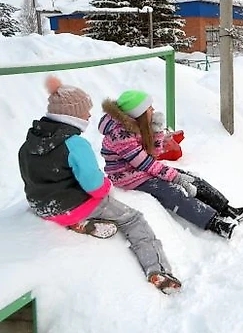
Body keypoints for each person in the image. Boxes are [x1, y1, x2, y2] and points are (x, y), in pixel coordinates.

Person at [17, 76, 181, 294]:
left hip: (42, 207)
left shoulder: (29, 142)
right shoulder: (75, 144)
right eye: (86, 111)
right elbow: (94, 185)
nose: (89, 115)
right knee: (134, 219)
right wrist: (105, 186)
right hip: (73, 206)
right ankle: (158, 270)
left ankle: (79, 224)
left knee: (69, 203)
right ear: (72, 114)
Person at [98, 90, 243, 240]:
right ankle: (215, 223)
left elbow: (154, 154)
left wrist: (157, 131)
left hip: (141, 169)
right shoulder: (120, 135)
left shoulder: (134, 125)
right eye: (149, 108)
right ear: (139, 112)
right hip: (128, 177)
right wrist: (176, 178)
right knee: (174, 192)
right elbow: (146, 164)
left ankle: (227, 210)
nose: (153, 110)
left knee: (193, 179)